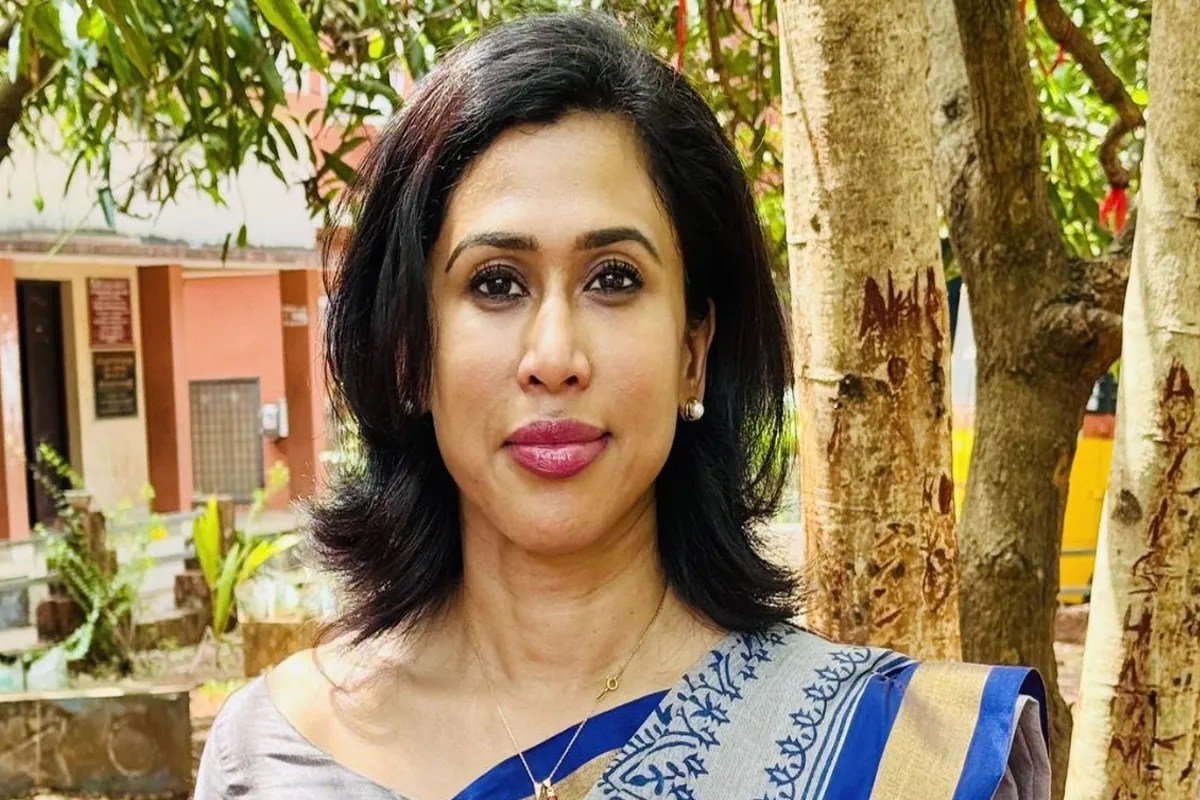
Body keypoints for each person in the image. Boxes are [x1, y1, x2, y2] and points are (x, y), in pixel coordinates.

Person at [194, 12, 1049, 800]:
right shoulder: (274, 758)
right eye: (495, 283)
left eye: (613, 279)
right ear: (411, 350)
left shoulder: (896, 755)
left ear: (693, 352)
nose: (555, 358)